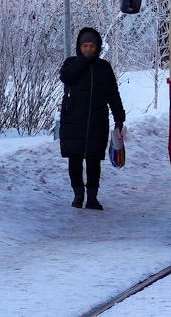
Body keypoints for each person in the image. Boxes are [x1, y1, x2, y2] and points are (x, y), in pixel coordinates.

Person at [58, 27, 125, 210]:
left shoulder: (103, 68)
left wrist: (119, 116)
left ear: (98, 47)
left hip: (97, 121)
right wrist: (82, 61)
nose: (88, 49)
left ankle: (92, 197)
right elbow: (67, 77)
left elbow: (113, 93)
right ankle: (78, 195)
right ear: (79, 47)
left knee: (94, 159)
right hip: (73, 121)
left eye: (92, 46)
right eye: (85, 46)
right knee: (75, 158)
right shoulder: (71, 63)